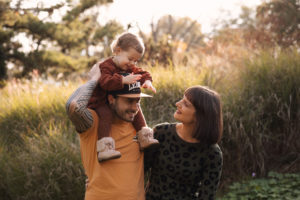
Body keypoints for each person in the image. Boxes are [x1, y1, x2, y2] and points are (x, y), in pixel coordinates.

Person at [66, 65, 155, 200]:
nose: (134, 108)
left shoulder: (138, 128)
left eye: (138, 101)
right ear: (111, 99)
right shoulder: (93, 123)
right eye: (129, 101)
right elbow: (74, 106)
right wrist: (96, 79)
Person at [87, 32, 158, 162]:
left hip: (119, 98)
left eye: (136, 60)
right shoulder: (106, 66)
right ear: (118, 51)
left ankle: (144, 136)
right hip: (101, 100)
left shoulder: (129, 67)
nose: (132, 63)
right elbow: (105, 82)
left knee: (136, 107)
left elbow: (142, 73)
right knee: (106, 114)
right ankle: (104, 148)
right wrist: (123, 80)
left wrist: (147, 81)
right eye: (130, 59)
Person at [144, 85, 223, 200]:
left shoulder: (212, 153)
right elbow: (139, 172)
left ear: (200, 116)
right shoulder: (161, 133)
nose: (177, 104)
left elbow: (207, 196)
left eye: (186, 104)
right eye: (182, 99)